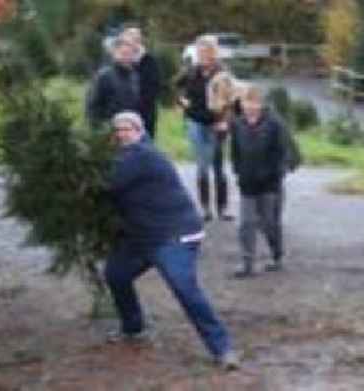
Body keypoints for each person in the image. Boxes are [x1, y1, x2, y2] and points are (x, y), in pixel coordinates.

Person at [104, 111, 239, 370]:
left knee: (184, 288)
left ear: (140, 131)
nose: (122, 133)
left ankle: (223, 349)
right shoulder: (124, 156)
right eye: (118, 129)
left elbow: (108, 183)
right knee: (117, 274)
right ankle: (133, 328)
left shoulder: (142, 155)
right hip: (143, 235)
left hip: (173, 234)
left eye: (127, 128)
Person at [230, 86, 288, 277]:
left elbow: (281, 154)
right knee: (246, 223)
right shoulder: (237, 124)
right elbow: (235, 151)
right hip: (247, 183)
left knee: (268, 223)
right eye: (247, 103)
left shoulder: (274, 124)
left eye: (254, 103)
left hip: (270, 184)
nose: (250, 107)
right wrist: (238, 171)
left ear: (261, 104)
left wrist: (274, 174)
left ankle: (276, 255)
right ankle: (247, 263)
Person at [175, 35, 233, 221]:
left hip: (217, 123)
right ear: (197, 53)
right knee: (202, 166)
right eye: (201, 51)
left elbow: (232, 99)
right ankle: (205, 208)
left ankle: (222, 208)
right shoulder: (191, 72)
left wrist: (225, 119)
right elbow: (176, 88)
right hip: (196, 122)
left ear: (215, 53)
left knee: (218, 166)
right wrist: (181, 101)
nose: (204, 55)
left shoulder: (223, 73)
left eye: (208, 51)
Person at [86, 37, 141, 131]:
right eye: (123, 54)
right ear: (115, 53)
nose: (126, 58)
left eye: (129, 54)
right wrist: (99, 128)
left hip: (130, 131)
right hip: (109, 130)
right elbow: (92, 106)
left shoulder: (134, 77)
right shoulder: (104, 76)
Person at [120, 25, 160, 139]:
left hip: (144, 115)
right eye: (126, 42)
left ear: (139, 42)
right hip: (123, 116)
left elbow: (153, 89)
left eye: (133, 41)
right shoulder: (121, 62)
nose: (129, 46)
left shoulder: (149, 61)